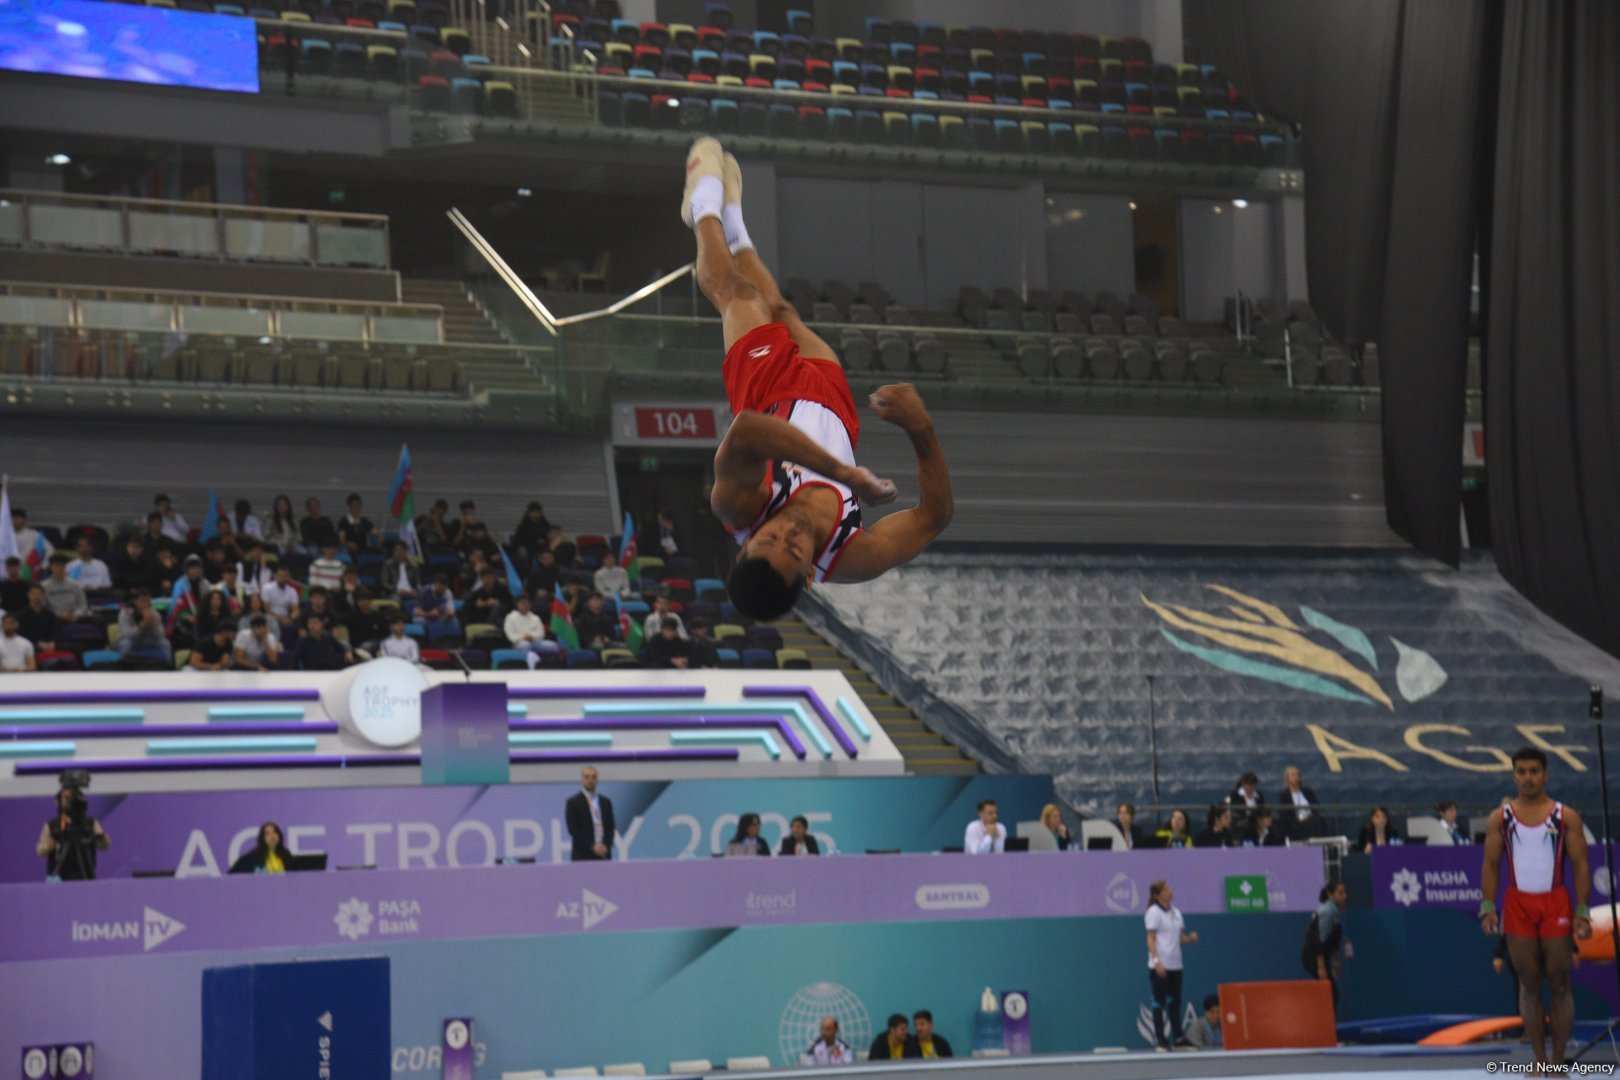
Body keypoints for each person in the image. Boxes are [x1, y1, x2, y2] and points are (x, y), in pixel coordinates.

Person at [686, 137, 954, 620]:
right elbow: (933, 518)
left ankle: (702, 206)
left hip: (766, 392)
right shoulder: (851, 557)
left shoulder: (738, 506)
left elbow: (748, 429)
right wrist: (921, 431)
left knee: (739, 294)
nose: (788, 532)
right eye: (794, 550)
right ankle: (735, 223)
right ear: (811, 574)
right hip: (832, 401)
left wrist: (845, 475)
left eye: (770, 538)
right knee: (783, 308)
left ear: (746, 544)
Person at [1481, 746, 1592, 1070]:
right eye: (1522, 771)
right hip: (1518, 903)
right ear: (1514, 775)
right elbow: (1491, 864)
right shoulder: (1500, 818)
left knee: (1559, 980)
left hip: (1555, 900)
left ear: (1546, 775)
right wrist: (1488, 905)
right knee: (1529, 981)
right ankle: (1540, 1062)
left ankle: (1557, 1063)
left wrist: (1582, 910)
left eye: (1534, 771)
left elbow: (1581, 864)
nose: (1528, 777)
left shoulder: (1565, 815)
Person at [1146, 879, 1198, 1051]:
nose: (1170, 890)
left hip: (1176, 965)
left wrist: (1190, 938)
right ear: (1157, 895)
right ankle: (1161, 1040)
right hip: (1160, 966)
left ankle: (1178, 1038)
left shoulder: (1176, 912)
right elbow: (1151, 939)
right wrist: (1157, 962)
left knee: (1175, 1002)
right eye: (1166, 889)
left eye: (1169, 887)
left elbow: (1180, 938)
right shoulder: (1153, 912)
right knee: (1159, 1003)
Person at [36, 785, 109, 880]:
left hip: (85, 877)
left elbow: (105, 845)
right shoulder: (52, 825)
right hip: (59, 878)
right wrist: (49, 846)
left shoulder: (90, 823)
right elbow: (40, 850)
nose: (68, 800)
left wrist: (100, 837)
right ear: (59, 801)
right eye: (65, 797)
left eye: (71, 797)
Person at [1302, 879, 1348, 1011]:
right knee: (1332, 994)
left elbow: (1332, 939)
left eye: (1345, 892)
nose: (1344, 896)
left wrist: (1336, 961)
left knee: (1330, 994)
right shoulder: (1327, 911)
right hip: (1313, 957)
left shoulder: (1336, 911)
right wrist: (1321, 967)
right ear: (1330, 894)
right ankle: (1325, 1027)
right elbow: (1320, 940)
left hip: (1321, 956)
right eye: (1340, 893)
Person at [565, 766, 616, 861]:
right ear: (582, 779)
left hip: (603, 855)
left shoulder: (605, 802)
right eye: (587, 777)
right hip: (582, 855)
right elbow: (573, 829)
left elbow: (611, 827)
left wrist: (606, 846)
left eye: (593, 777)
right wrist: (592, 846)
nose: (590, 780)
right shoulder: (573, 802)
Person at [115, 589, 170, 661]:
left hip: (148, 640)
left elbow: (161, 635)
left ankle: (168, 668)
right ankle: (122, 668)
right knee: (125, 644)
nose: (145, 605)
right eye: (142, 601)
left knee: (165, 643)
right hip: (132, 641)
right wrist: (141, 625)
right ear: (135, 601)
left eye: (147, 601)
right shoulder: (125, 612)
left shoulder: (154, 612)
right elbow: (126, 635)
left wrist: (154, 624)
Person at [42, 554, 89, 621]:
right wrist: (59, 615)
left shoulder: (76, 584)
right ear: (50, 567)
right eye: (57, 566)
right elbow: (43, 607)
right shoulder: (44, 586)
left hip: (75, 617)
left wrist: (75, 615)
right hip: (53, 619)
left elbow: (83, 605)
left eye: (63, 566)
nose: (60, 568)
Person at [503, 594, 547, 664]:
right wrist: (524, 637)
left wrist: (531, 636)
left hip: (534, 641)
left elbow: (541, 634)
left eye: (527, 603)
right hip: (518, 643)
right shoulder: (510, 618)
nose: (525, 605)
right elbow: (511, 636)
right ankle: (527, 667)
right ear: (517, 605)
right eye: (522, 603)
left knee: (552, 646)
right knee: (525, 645)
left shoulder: (535, 618)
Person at [1278, 765, 1319, 840]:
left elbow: (1316, 807)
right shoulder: (1284, 795)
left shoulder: (1308, 792)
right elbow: (1284, 814)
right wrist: (1298, 820)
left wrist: (1309, 817)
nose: (1296, 777)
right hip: (1295, 824)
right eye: (1293, 775)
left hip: (1311, 822)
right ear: (1287, 778)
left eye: (1297, 774)